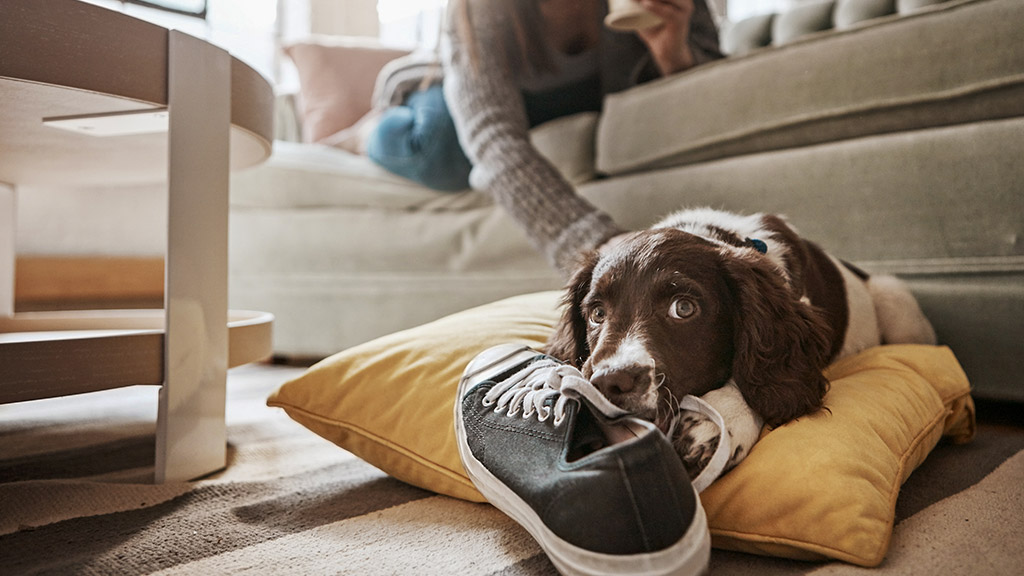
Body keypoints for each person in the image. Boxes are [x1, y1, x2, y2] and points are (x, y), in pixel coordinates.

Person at [369, 0, 722, 275]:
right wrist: (597, 242)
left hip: (579, 95)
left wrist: (672, 51)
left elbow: (722, 100)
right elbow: (492, 134)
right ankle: (365, 131)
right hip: (467, 97)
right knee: (438, 146)